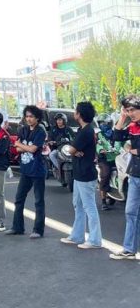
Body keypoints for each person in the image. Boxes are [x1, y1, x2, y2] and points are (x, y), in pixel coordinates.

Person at [60, 102, 103, 249]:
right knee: (78, 205)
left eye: (76, 111)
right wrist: (74, 150)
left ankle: (95, 240)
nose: (74, 113)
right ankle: (77, 235)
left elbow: (71, 149)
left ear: (80, 114)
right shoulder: (82, 130)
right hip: (79, 173)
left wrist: (73, 150)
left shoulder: (86, 131)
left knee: (89, 207)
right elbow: (73, 149)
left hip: (85, 173)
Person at [5, 105, 47, 238]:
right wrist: (25, 147)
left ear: (37, 118)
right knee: (19, 199)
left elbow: (33, 149)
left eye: (31, 117)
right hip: (25, 170)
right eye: (27, 116)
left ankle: (38, 230)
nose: (28, 119)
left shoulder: (40, 132)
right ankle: (17, 227)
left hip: (38, 170)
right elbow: (17, 149)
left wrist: (22, 146)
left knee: (38, 201)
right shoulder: (23, 130)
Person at [109, 95, 140, 260]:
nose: (130, 113)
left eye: (133, 110)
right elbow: (116, 137)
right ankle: (129, 249)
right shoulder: (133, 126)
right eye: (128, 110)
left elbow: (134, 149)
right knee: (130, 212)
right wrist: (122, 117)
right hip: (135, 175)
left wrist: (134, 150)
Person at [96, 118, 122, 211]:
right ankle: (103, 201)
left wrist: (120, 149)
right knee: (105, 174)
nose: (102, 125)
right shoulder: (99, 134)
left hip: (117, 158)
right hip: (105, 159)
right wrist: (101, 150)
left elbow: (121, 143)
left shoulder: (116, 133)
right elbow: (98, 145)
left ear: (110, 124)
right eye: (101, 123)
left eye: (104, 123)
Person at [47, 113, 75, 182]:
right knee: (51, 155)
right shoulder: (53, 129)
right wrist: (51, 141)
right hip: (57, 148)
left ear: (64, 121)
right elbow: (49, 138)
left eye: (60, 120)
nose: (58, 121)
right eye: (57, 120)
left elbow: (74, 138)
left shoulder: (68, 129)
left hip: (68, 148)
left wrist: (73, 141)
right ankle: (58, 167)